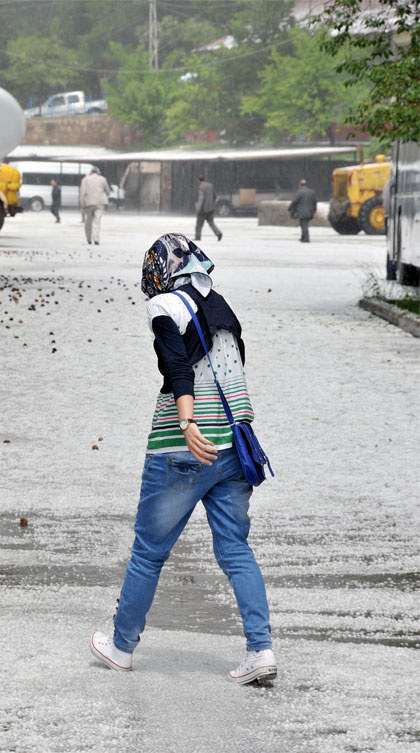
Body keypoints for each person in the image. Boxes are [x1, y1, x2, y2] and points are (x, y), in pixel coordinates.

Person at [90, 233, 276, 686]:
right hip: (234, 448)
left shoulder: (165, 306)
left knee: (149, 552)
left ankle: (121, 646)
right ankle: (260, 649)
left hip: (182, 448)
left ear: (163, 269)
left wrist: (189, 424)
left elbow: (176, 366)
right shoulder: (222, 307)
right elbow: (235, 371)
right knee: (235, 549)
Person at [80, 166, 110, 245]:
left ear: (91, 172)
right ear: (98, 172)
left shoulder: (85, 179)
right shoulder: (103, 179)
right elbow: (107, 190)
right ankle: (96, 238)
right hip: (100, 203)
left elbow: (82, 193)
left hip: (89, 203)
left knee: (88, 221)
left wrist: (82, 203)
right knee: (97, 221)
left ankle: (89, 239)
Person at [195, 176, 222, 242]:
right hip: (211, 208)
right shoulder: (210, 186)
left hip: (203, 209)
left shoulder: (201, 187)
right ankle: (218, 233)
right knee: (211, 223)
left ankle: (198, 237)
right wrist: (212, 203)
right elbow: (214, 195)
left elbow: (201, 198)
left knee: (199, 224)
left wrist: (198, 207)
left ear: (199, 180)